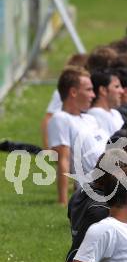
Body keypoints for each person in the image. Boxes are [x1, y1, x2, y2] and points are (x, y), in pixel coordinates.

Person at [48, 66, 109, 205]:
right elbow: (63, 160)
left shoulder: (90, 119)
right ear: (73, 92)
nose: (93, 95)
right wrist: (63, 201)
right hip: (98, 187)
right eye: (88, 90)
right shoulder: (61, 119)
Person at [88, 69, 125, 135]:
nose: (122, 91)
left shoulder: (115, 113)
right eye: (117, 86)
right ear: (103, 90)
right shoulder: (95, 115)